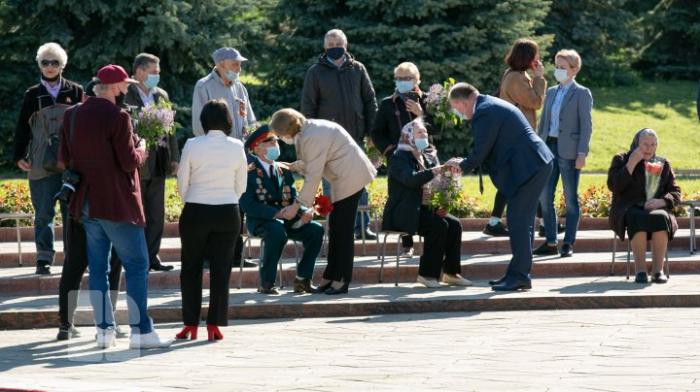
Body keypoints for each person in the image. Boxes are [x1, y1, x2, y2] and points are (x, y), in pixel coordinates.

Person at [58, 64, 171, 349]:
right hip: (117, 202)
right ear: (112, 87)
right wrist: (142, 147)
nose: (126, 89)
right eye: (123, 85)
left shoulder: (71, 115)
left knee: (97, 269)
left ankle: (104, 331)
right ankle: (141, 331)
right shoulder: (119, 116)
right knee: (137, 264)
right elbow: (128, 161)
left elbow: (64, 159)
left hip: (85, 203)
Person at [447, 83, 553, 291]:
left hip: (529, 166)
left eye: (455, 106)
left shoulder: (484, 112)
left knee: (518, 221)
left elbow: (481, 151)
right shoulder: (488, 106)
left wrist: (461, 166)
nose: (456, 111)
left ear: (464, 101)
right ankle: (518, 274)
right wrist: (464, 162)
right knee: (522, 222)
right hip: (533, 164)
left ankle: (520, 276)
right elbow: (488, 148)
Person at [270, 108, 376, 295]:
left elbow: (313, 175)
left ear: (288, 130)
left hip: (351, 177)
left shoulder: (312, 135)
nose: (281, 139)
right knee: (335, 228)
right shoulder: (306, 132)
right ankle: (330, 277)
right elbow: (310, 161)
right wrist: (292, 166)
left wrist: (297, 206)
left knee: (342, 231)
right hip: (343, 177)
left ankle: (341, 280)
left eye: (280, 135)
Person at [175, 99, 247, 341]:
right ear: (228, 121)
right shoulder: (237, 146)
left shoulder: (192, 144)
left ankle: (190, 324)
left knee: (190, 267)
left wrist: (192, 198)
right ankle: (214, 324)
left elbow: (182, 180)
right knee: (221, 269)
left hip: (196, 210)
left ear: (203, 121)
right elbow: (241, 185)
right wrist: (227, 198)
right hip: (228, 211)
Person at [301, 28, 378, 241]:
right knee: (332, 187)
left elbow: (370, 101)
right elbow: (308, 108)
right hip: (327, 143)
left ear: (346, 45)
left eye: (339, 44)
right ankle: (338, 230)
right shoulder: (315, 72)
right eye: (331, 45)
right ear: (325, 48)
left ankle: (363, 227)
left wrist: (372, 133)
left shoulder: (358, 69)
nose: (335, 48)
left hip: (355, 139)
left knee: (359, 183)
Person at [13, 42, 82, 275]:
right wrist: (18, 156)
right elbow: (22, 128)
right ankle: (43, 259)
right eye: (45, 62)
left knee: (71, 212)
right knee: (43, 212)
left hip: (70, 161)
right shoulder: (32, 94)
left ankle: (73, 257)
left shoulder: (75, 91)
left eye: (55, 62)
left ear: (62, 65)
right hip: (40, 160)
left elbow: (85, 127)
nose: (50, 67)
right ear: (39, 65)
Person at [382, 119, 472, 288]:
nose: (424, 136)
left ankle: (451, 273)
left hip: (424, 209)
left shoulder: (426, 157)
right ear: (408, 136)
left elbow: (436, 183)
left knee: (454, 224)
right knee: (437, 226)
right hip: (403, 212)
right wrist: (438, 169)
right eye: (419, 133)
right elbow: (411, 180)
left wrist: (444, 201)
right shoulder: (398, 157)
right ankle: (427, 275)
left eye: (425, 133)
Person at [192, 47, 256, 269]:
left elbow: (250, 121)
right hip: (212, 156)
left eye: (239, 64)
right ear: (220, 65)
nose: (239, 68)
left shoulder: (240, 86)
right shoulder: (204, 86)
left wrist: (248, 132)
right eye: (234, 64)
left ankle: (237, 254)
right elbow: (198, 125)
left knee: (237, 205)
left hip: (238, 155)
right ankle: (211, 255)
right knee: (213, 203)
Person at [240, 126, 324, 294]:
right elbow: (247, 204)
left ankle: (303, 280)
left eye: (276, 141)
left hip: (287, 219)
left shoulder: (283, 170)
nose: (275, 144)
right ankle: (267, 282)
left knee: (316, 230)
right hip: (261, 221)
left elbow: (292, 197)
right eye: (270, 141)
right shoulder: (248, 172)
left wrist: (305, 211)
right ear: (257, 148)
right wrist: (276, 214)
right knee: (277, 231)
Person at [372, 62, 436, 257]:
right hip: (400, 159)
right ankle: (406, 243)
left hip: (426, 156)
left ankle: (432, 238)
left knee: (428, 196)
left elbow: (438, 130)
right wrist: (390, 151)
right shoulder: (387, 103)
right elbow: (377, 132)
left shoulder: (427, 100)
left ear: (418, 80)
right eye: (399, 78)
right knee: (403, 197)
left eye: (407, 78)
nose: (402, 82)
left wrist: (421, 113)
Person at [484, 38, 546, 238]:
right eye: (535, 54)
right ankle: (545, 223)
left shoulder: (516, 75)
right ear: (527, 57)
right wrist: (539, 78)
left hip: (515, 137)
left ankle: (495, 222)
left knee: (515, 179)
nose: (538, 58)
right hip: (517, 138)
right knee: (530, 177)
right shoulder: (516, 78)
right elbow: (535, 102)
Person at [124, 52, 180, 271]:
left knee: (157, 213)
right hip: (135, 163)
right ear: (139, 72)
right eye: (153, 72)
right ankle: (137, 259)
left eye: (158, 72)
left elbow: (171, 130)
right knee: (137, 213)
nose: (157, 76)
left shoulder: (161, 95)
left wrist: (175, 158)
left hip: (159, 160)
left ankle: (152, 257)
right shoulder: (126, 93)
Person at [534, 49, 593, 258]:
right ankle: (551, 241)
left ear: (574, 69)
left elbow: (586, 126)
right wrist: (538, 148)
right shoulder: (551, 92)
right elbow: (543, 124)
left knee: (570, 198)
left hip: (569, 151)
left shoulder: (582, 93)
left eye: (563, 68)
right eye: (557, 67)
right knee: (544, 196)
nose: (558, 71)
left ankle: (568, 242)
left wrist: (582, 153)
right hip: (548, 148)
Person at [607, 129, 680, 284]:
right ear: (636, 144)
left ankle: (657, 271)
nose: (649, 148)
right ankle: (640, 271)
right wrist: (631, 163)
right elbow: (614, 185)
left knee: (660, 217)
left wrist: (662, 202)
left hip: (656, 208)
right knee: (637, 216)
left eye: (653, 144)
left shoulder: (662, 163)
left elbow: (675, 191)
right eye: (645, 144)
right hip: (629, 207)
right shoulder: (621, 159)